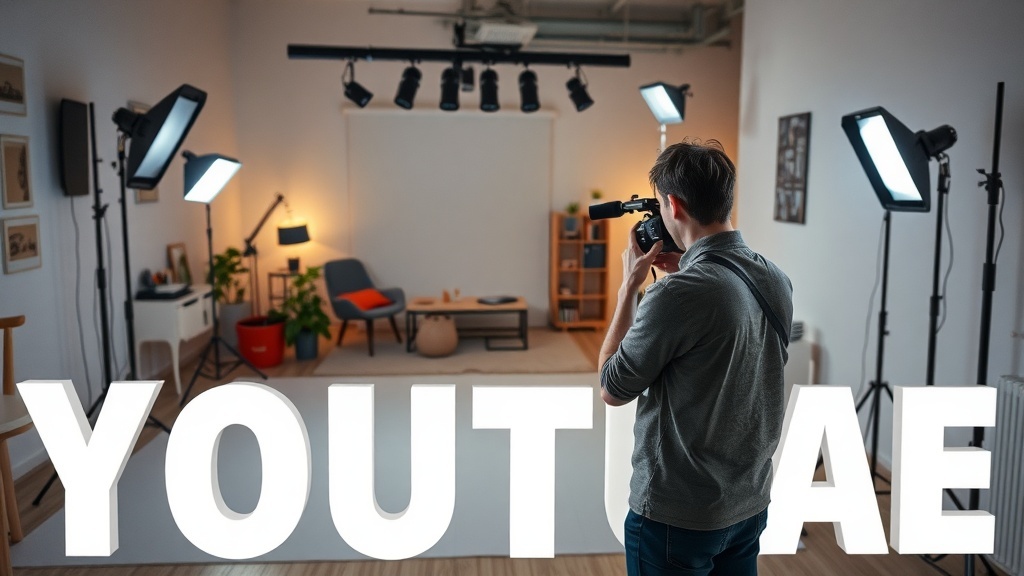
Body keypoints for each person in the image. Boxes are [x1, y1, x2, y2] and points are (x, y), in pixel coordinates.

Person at [599, 140, 793, 576]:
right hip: (747, 505)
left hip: (676, 517)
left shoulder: (677, 294)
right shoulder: (775, 277)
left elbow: (613, 388)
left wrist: (629, 287)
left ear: (673, 204)